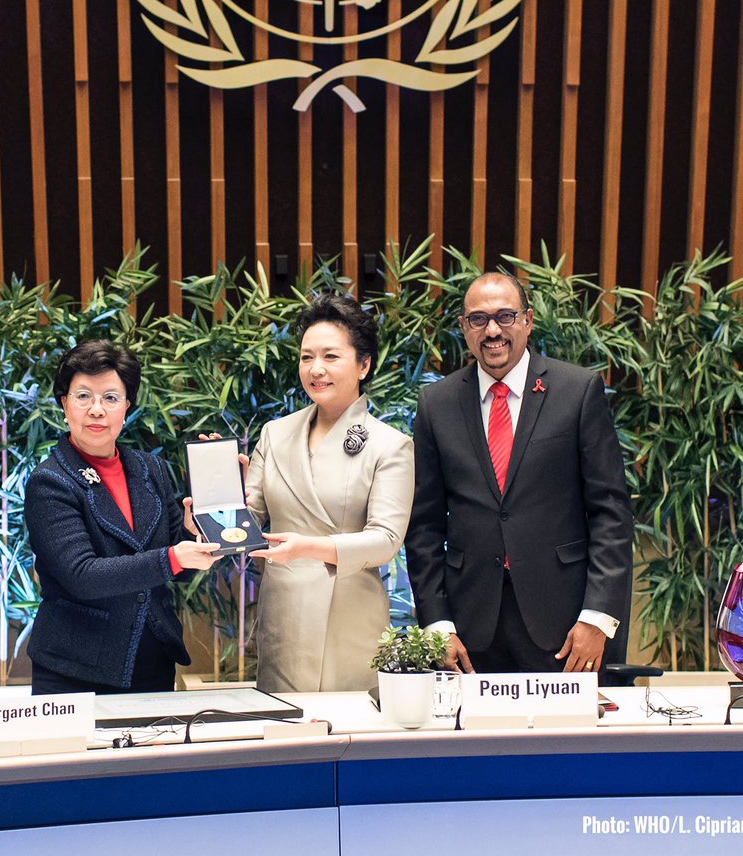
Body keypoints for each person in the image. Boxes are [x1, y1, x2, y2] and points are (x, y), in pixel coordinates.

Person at [405, 272, 633, 676]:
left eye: (505, 316)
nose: (492, 330)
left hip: (567, 625)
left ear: (528, 321)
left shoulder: (577, 391)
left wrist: (598, 616)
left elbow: (610, 513)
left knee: (564, 740)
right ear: (464, 328)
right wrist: (437, 625)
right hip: (469, 631)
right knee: (473, 740)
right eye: (478, 319)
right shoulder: (435, 404)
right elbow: (423, 527)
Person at [25, 339, 219, 694]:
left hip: (153, 660)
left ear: (126, 407)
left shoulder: (151, 468)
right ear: (64, 404)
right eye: (83, 396)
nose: (97, 410)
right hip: (76, 668)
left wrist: (203, 530)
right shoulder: (49, 481)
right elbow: (82, 576)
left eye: (111, 398)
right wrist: (174, 556)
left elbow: (180, 562)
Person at [246, 292, 414, 693]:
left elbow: (386, 540)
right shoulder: (275, 433)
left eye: (330, 357)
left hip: (348, 620)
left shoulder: (390, 444)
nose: (315, 369)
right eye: (306, 357)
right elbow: (247, 519)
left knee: (348, 738)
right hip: (283, 617)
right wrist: (211, 512)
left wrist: (307, 547)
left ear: (364, 364)